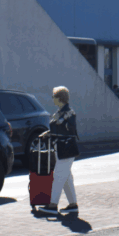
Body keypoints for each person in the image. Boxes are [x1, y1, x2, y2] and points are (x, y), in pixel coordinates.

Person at [39, 86, 80, 218]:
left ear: (60, 98)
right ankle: (73, 205)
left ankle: (52, 205)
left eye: (54, 97)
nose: (52, 99)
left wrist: (54, 133)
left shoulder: (69, 113)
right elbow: (59, 128)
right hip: (62, 148)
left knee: (58, 177)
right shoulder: (60, 112)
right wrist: (48, 133)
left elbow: (70, 130)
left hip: (66, 149)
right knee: (66, 178)